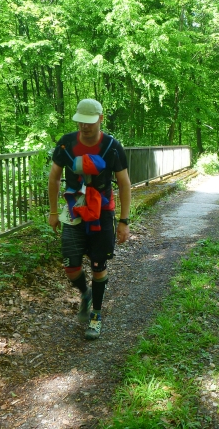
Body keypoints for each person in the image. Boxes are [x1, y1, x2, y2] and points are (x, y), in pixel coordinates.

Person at [48, 98, 131, 340]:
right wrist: (53, 212)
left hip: (102, 213)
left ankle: (96, 314)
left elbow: (124, 184)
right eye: (81, 122)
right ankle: (85, 292)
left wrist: (124, 221)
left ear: (100, 119)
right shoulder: (66, 144)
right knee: (71, 266)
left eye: (90, 122)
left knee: (98, 266)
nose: (84, 126)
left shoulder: (112, 147)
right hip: (74, 212)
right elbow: (54, 178)